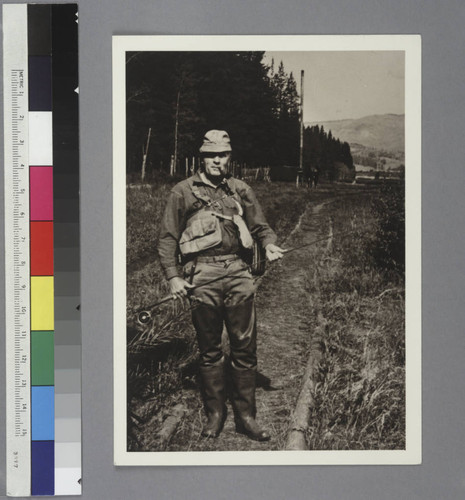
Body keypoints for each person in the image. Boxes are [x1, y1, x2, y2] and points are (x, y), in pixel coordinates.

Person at [158, 130, 284, 441]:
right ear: (202, 158)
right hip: (203, 276)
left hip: (239, 273)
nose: (218, 160)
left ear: (230, 157)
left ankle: (246, 416)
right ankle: (215, 414)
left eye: (223, 154)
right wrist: (174, 276)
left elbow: (260, 226)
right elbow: (167, 239)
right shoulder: (183, 192)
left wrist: (269, 244)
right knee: (209, 348)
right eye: (211, 155)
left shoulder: (240, 189)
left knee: (244, 347)